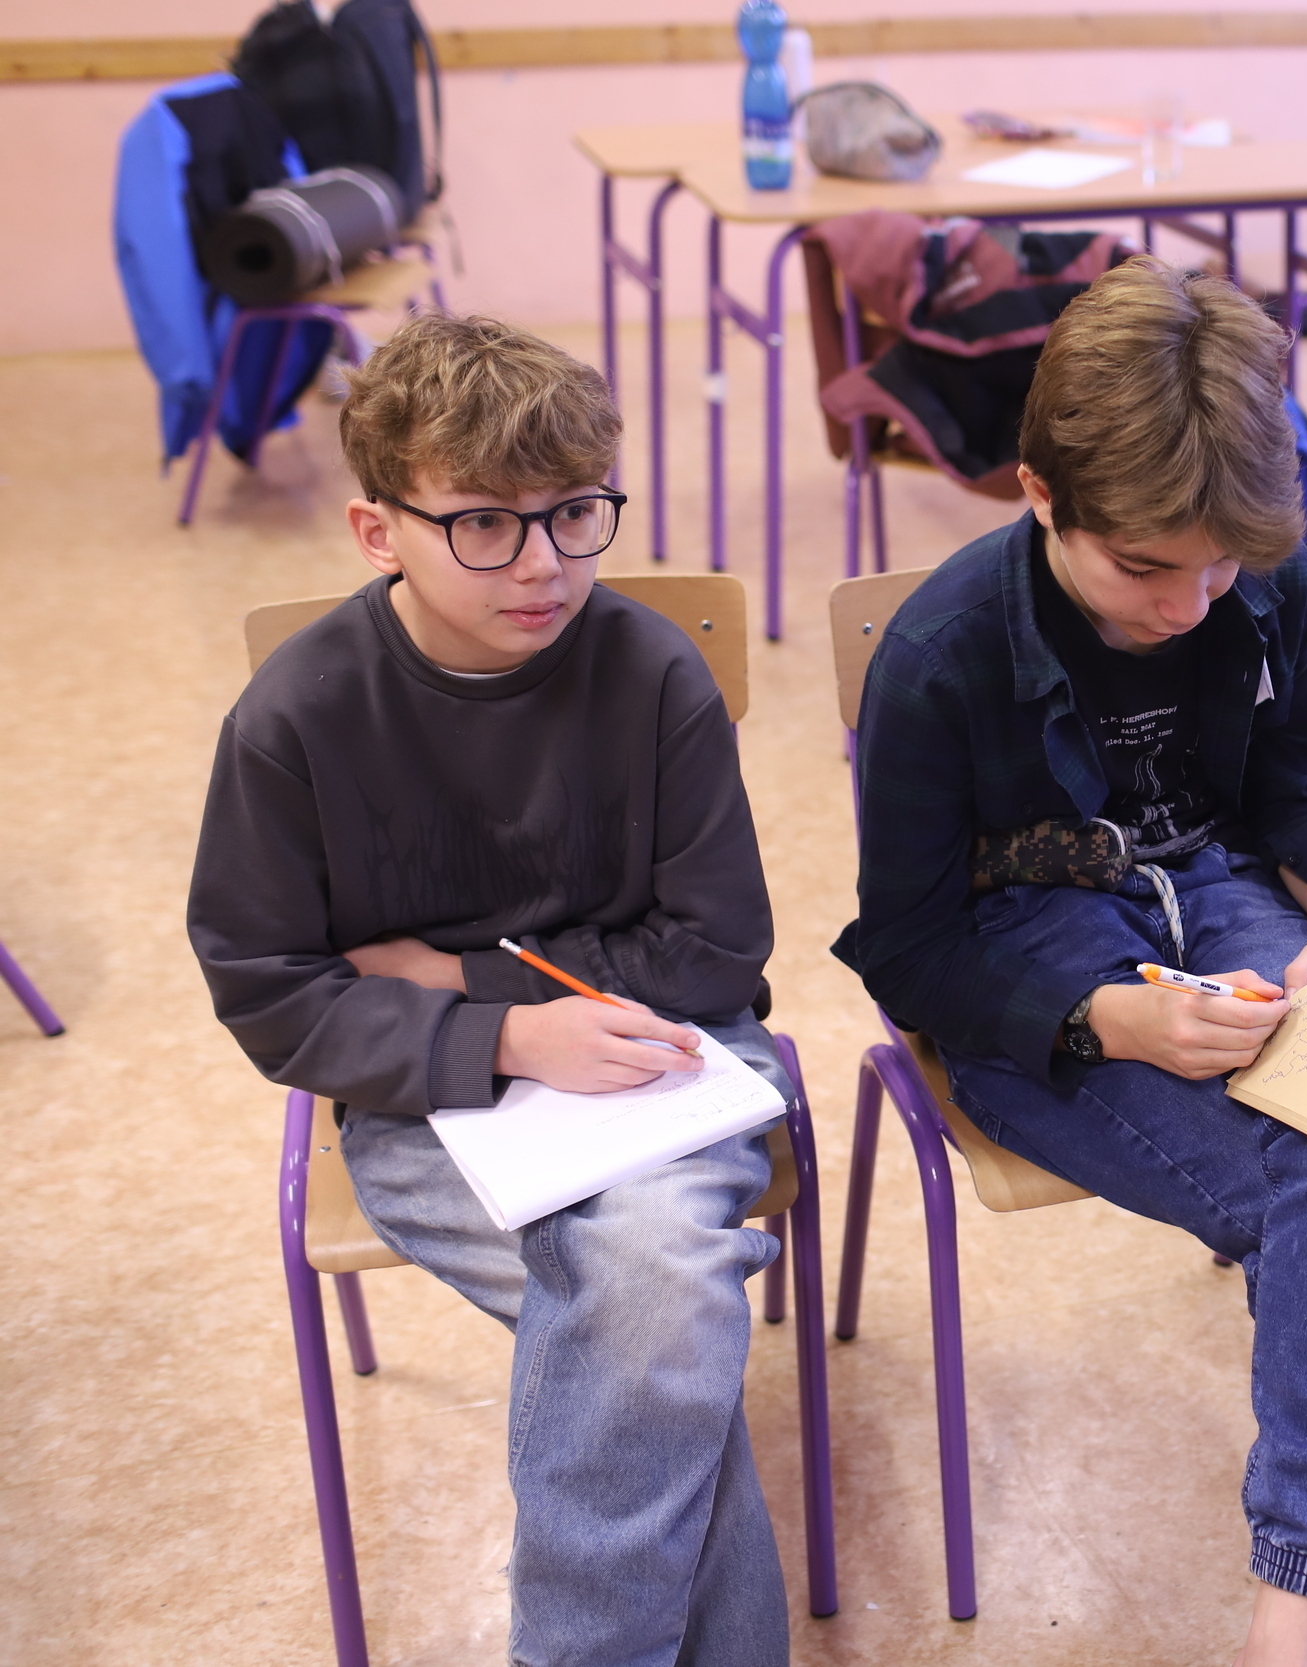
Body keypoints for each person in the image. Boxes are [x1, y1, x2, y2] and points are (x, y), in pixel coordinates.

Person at [836, 255, 1307, 1667]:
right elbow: (909, 950)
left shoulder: (1265, 571)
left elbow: (1293, 795)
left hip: (1224, 895)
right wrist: (1111, 1019)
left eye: (1219, 565)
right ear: (1038, 493)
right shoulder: (939, 652)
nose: (1188, 603)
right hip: (1030, 950)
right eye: (1142, 568)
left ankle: (1299, 1620)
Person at [187, 315, 794, 1665]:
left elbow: (719, 951)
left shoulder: (653, 669)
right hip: (425, 1095)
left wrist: (462, 975)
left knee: (644, 1316)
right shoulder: (295, 715)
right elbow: (270, 991)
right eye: (483, 524)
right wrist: (508, 1035)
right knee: (659, 1311)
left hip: (668, 1058)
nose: (543, 563)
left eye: (575, 514)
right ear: (377, 530)